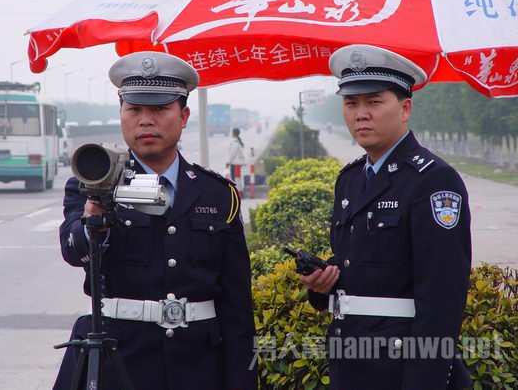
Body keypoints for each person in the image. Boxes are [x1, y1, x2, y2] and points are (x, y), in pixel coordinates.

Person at [53, 52, 257, 390]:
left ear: (184, 115)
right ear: (121, 114)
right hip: (119, 361)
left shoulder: (217, 194)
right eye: (134, 110)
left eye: (160, 109)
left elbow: (237, 308)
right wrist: (94, 222)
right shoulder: (93, 181)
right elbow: (73, 250)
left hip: (199, 367)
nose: (145, 121)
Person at [299, 44, 472, 390]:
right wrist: (324, 285)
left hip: (402, 371)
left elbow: (442, 300)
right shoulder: (349, 179)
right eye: (351, 103)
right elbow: (362, 266)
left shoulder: (433, 179)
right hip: (352, 365)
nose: (361, 114)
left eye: (374, 102)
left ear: (405, 108)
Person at [227, 127, 246, 193]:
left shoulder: (234, 142)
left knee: (234, 179)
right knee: (238, 178)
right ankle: (240, 191)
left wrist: (228, 162)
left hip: (234, 163)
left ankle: (236, 192)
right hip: (239, 163)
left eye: (232, 132)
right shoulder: (239, 141)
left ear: (234, 133)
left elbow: (232, 154)